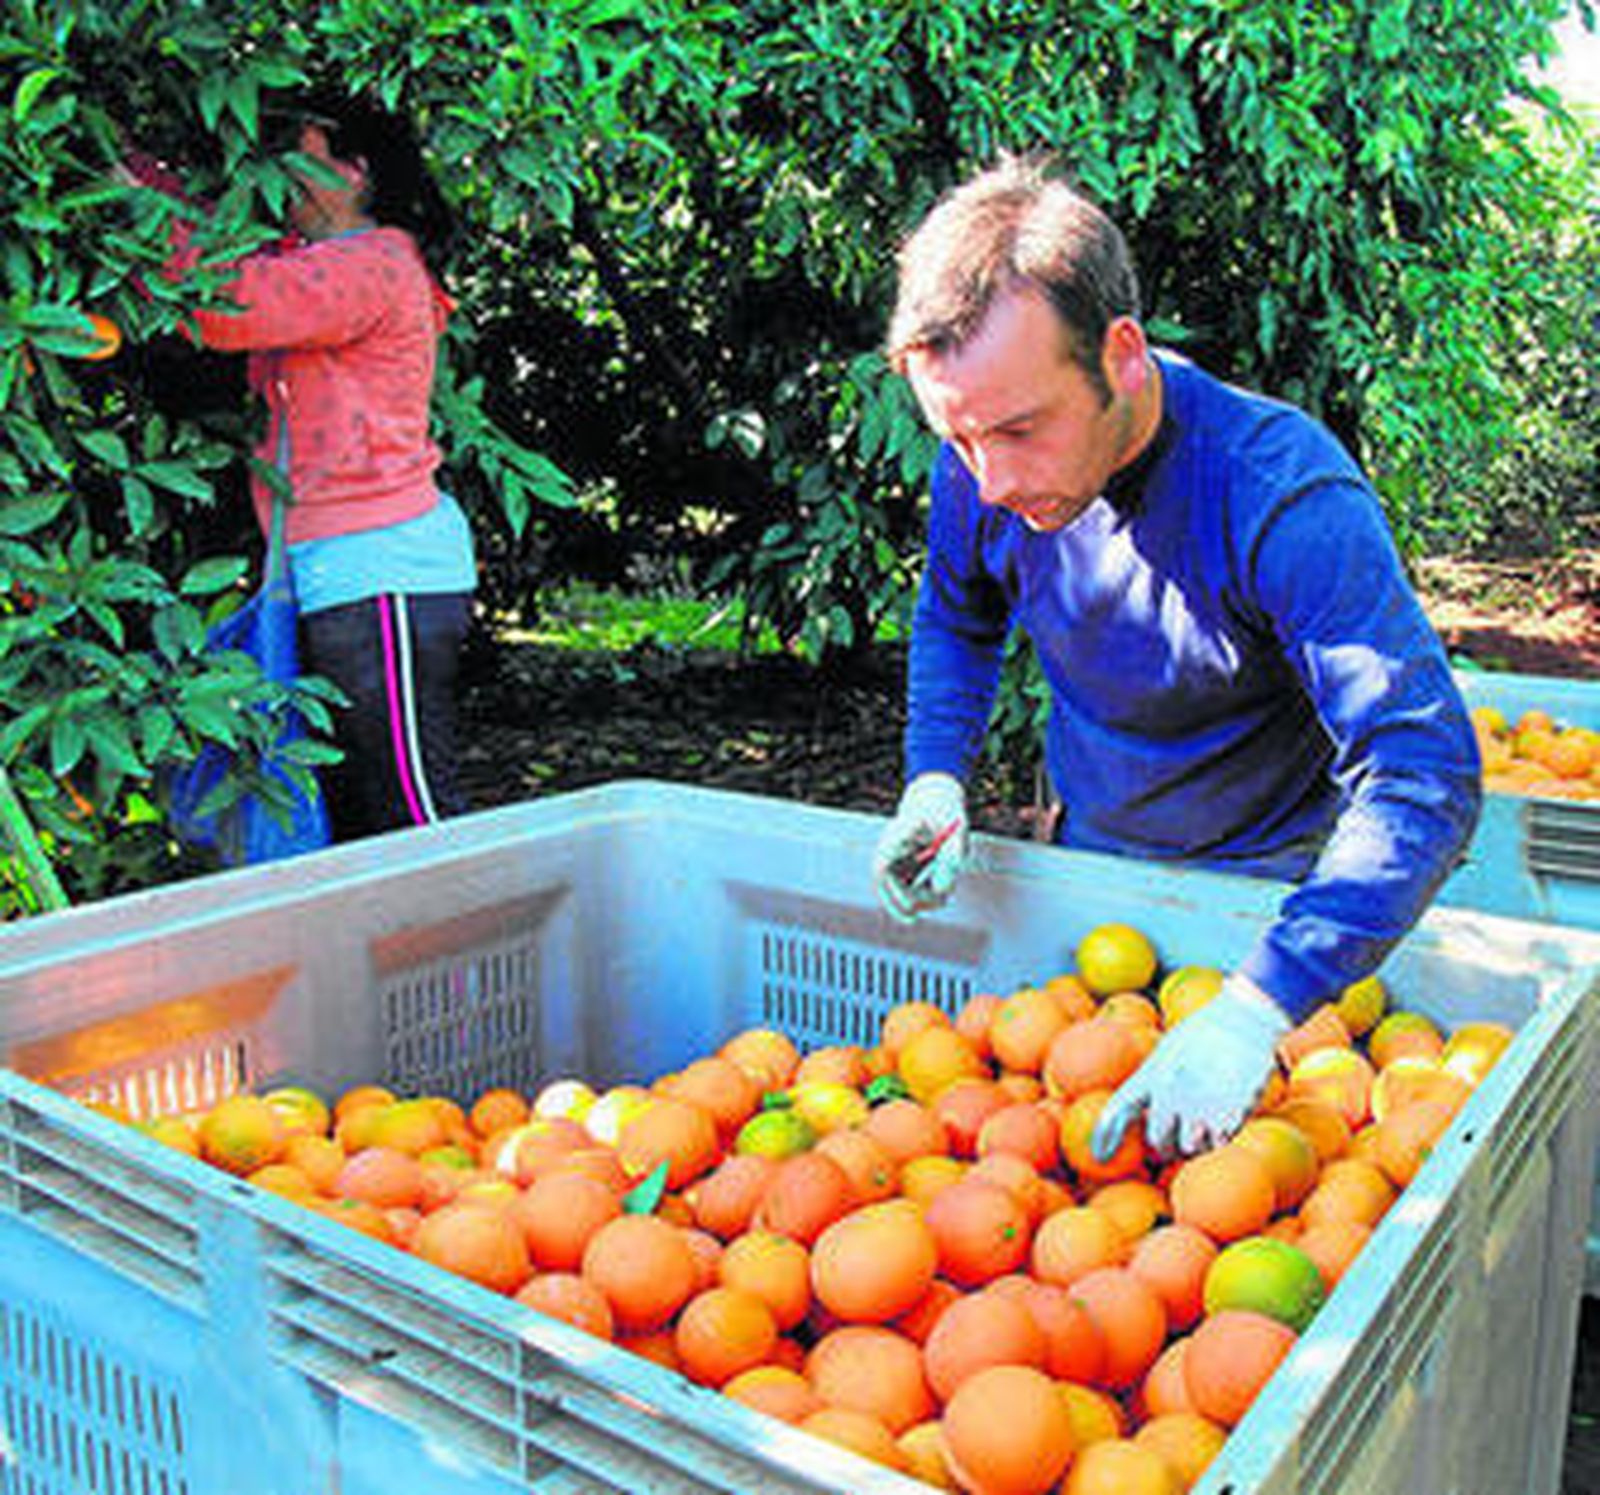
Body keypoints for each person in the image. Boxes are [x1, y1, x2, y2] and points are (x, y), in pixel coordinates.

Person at [871, 157, 1482, 1160]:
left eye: (1019, 429)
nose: (990, 483)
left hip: (1277, 903)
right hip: (1096, 877)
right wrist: (935, 775)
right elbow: (957, 615)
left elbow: (1423, 770)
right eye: (960, 437)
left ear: (1120, 354)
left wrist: (1259, 1007)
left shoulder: (1278, 495)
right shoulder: (981, 463)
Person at [126, 93, 475, 843]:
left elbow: (230, 302)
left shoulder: (377, 261)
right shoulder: (315, 259)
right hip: (337, 570)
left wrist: (135, 205)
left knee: (416, 813)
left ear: (354, 172)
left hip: (384, 572)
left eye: (301, 157)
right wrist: (133, 172)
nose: (280, 173)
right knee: (351, 816)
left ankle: (482, 927)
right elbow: (226, 251)